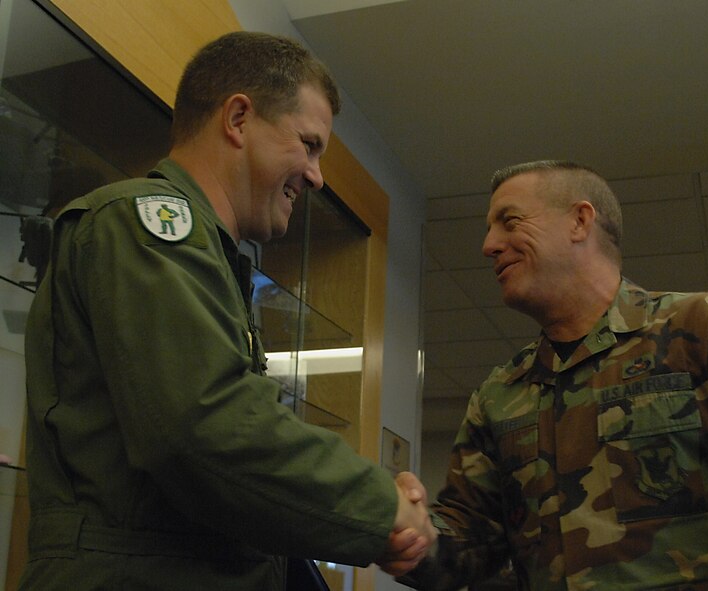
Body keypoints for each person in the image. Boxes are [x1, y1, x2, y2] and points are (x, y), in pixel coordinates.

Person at [20, 31, 435, 590]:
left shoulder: (207, 256)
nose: (317, 176)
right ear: (238, 118)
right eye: (309, 144)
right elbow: (206, 427)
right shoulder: (145, 224)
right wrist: (383, 509)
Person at [397, 160, 708, 590]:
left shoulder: (705, 330)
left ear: (580, 221)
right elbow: (467, 552)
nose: (489, 245)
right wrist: (403, 524)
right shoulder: (501, 393)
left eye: (509, 222)